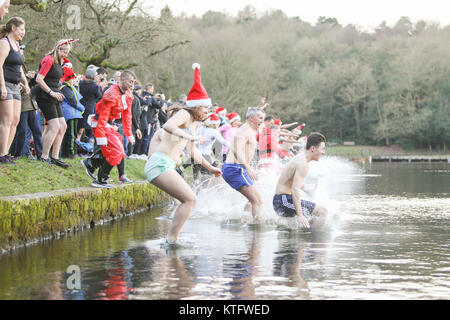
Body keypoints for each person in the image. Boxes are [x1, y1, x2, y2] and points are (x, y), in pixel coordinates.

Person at [145, 63, 221, 245]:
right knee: (190, 200)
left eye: (208, 110)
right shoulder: (184, 114)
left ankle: (172, 238)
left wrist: (210, 168)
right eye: (204, 109)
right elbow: (167, 126)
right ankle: (171, 240)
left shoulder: (193, 122)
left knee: (188, 200)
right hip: (160, 163)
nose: (207, 113)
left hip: (166, 165)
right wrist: (186, 135)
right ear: (195, 107)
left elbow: (193, 152)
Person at [81, 70, 136, 188]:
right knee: (116, 151)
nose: (132, 85)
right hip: (100, 123)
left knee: (118, 151)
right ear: (122, 80)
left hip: (109, 124)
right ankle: (101, 179)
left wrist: (129, 133)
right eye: (130, 82)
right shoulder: (111, 93)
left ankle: (91, 164)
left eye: (133, 82)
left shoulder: (128, 95)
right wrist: (101, 136)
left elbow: (127, 115)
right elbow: (103, 116)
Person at [35, 38, 77, 168]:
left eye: (67, 52)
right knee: (54, 126)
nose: (65, 54)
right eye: (63, 51)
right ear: (58, 48)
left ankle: (55, 157)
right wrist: (51, 92)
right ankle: (44, 156)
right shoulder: (49, 60)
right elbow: (39, 79)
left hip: (55, 95)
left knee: (62, 126)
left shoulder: (61, 61)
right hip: (45, 95)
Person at [272, 132, 328, 230]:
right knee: (322, 212)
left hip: (281, 200)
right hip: (283, 201)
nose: (323, 152)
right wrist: (300, 215)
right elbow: (295, 190)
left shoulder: (302, 158)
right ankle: (311, 240)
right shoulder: (303, 164)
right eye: (322, 149)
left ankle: (304, 236)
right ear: (313, 149)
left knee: (314, 214)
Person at [222, 107, 266, 223]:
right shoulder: (244, 130)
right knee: (257, 200)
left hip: (238, 168)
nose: (262, 121)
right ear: (251, 118)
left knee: (253, 199)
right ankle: (258, 230)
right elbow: (236, 149)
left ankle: (244, 220)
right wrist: (248, 168)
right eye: (260, 118)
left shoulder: (250, 130)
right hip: (235, 168)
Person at [0, 17, 29, 165]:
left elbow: (19, 68)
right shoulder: (4, 43)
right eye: (22, 29)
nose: (23, 32)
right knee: (6, 120)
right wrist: (2, 86)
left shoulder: (17, 44)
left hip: (16, 86)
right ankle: (2, 153)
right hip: (6, 85)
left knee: (15, 121)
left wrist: (25, 82)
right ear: (13, 28)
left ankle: (7, 153)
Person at [60, 67, 85, 158]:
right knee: (71, 135)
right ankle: (71, 153)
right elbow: (72, 101)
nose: (75, 80)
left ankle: (68, 153)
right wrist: (82, 108)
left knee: (70, 134)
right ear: (69, 78)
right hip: (70, 115)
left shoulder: (71, 87)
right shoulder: (65, 88)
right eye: (73, 78)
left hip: (73, 114)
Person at [78, 65, 102, 143]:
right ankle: (83, 143)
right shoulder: (95, 86)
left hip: (80, 105)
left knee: (80, 125)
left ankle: (78, 142)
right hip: (90, 107)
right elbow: (99, 96)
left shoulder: (81, 83)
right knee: (87, 127)